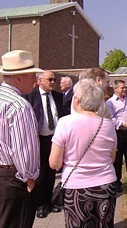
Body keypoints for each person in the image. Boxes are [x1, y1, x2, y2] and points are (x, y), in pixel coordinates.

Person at [49, 79, 117, 227]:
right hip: (106, 184)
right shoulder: (108, 124)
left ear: (77, 100)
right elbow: (112, 158)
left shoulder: (65, 123)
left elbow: (54, 163)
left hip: (76, 187)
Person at [0, 50, 42, 227]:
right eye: (32, 75)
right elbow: (24, 149)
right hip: (12, 179)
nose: (35, 80)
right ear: (18, 78)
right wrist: (30, 178)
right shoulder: (19, 106)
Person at [25, 70, 63, 218]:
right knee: (40, 173)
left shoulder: (58, 97)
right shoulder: (30, 97)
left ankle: (49, 201)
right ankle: (39, 204)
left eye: (54, 79)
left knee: (51, 171)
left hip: (54, 140)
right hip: (38, 139)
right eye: (50, 80)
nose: (53, 82)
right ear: (40, 81)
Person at [106, 79, 127, 192]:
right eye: (122, 88)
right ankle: (117, 182)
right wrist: (123, 123)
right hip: (118, 133)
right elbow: (111, 119)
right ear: (115, 89)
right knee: (118, 159)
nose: (124, 89)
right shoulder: (110, 103)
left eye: (125, 87)